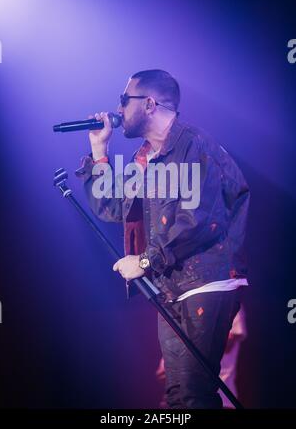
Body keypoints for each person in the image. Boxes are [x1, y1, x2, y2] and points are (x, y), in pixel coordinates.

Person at [76, 69, 250, 409]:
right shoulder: (145, 159)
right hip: (171, 287)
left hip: (207, 282)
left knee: (193, 394)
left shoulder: (195, 146)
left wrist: (144, 261)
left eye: (124, 101)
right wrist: (99, 152)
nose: (119, 109)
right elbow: (112, 207)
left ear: (150, 104)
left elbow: (199, 222)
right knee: (176, 396)